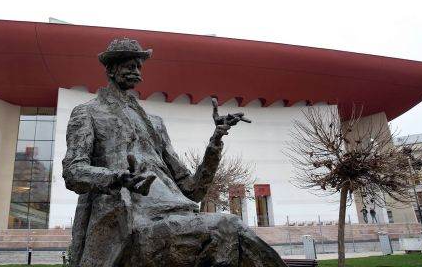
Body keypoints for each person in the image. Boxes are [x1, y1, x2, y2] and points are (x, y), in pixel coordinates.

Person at [62, 38, 286, 267]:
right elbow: (73, 172)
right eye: (130, 66)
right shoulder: (88, 112)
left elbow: (193, 189)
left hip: (177, 212)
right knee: (227, 228)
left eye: (139, 66)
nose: (137, 71)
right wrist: (118, 178)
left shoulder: (154, 123)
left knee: (232, 229)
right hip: (133, 219)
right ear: (110, 69)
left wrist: (216, 140)